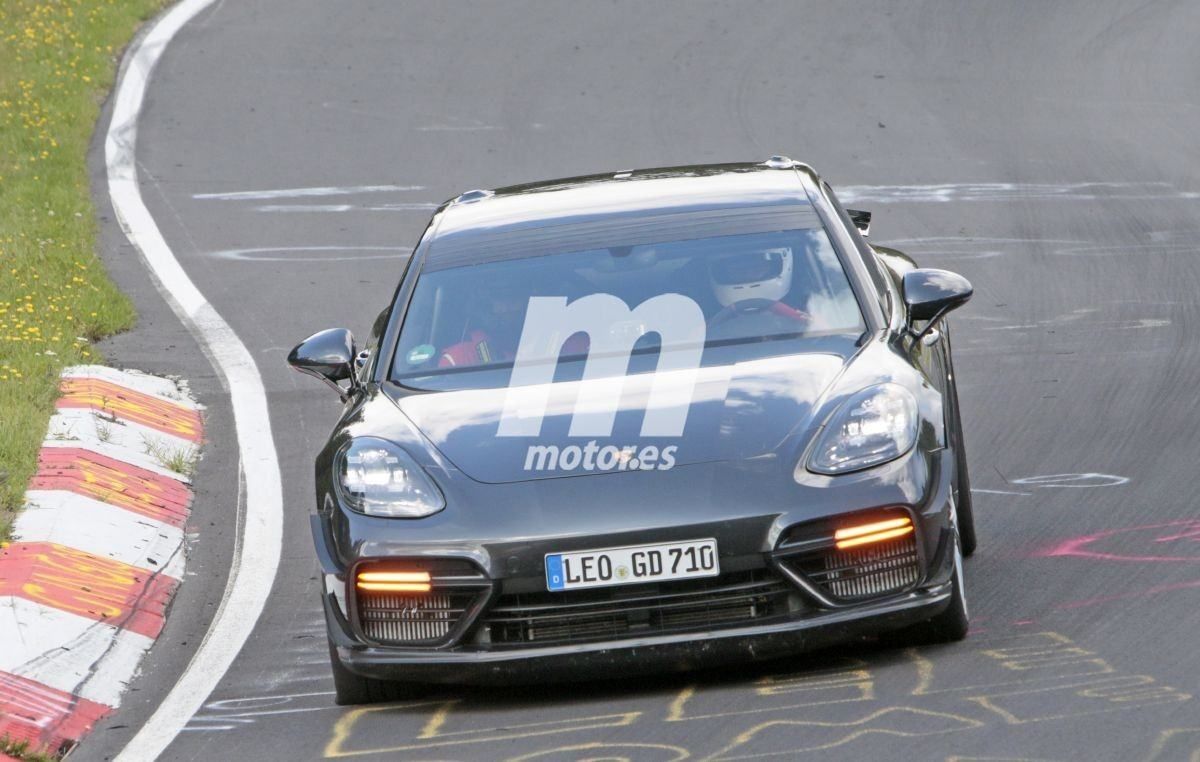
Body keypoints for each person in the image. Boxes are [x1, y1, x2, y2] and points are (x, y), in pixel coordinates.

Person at [706, 245, 810, 339]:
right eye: (737, 268)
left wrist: (811, 324)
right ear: (722, 272)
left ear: (774, 265)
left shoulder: (806, 311)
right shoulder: (704, 329)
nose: (748, 273)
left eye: (757, 266)